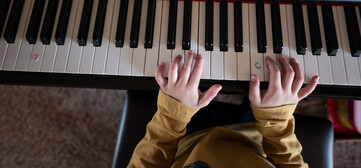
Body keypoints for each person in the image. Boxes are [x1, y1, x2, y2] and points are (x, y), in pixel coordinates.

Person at [128, 50, 319, 168]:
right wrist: (275, 117)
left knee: (169, 75)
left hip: (183, 143)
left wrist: (173, 111)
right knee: (264, 80)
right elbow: (290, 163)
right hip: (254, 141)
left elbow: (147, 163)